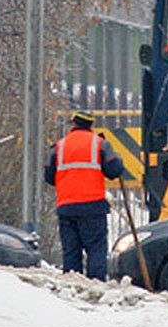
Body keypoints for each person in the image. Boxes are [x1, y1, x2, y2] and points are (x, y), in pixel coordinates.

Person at [44, 111, 126, 279]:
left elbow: (49, 177)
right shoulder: (100, 144)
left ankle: (73, 286)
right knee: (96, 249)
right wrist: (119, 162)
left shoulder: (58, 147)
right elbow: (113, 171)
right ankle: (95, 286)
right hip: (92, 206)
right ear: (90, 125)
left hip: (66, 207)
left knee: (71, 251)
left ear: (73, 124)